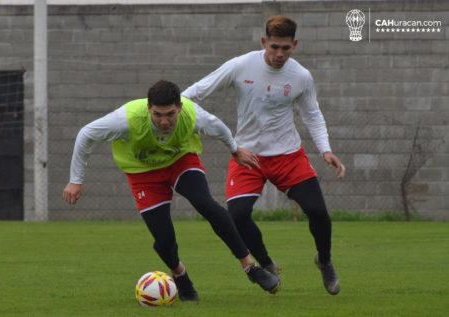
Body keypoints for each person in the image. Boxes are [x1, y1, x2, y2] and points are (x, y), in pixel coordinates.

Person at [62, 80, 280, 301]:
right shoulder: (126, 120)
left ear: (180, 108)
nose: (164, 121)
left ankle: (250, 267)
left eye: (170, 114)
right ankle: (180, 275)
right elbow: (85, 134)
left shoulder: (194, 115)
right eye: (157, 115)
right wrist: (75, 181)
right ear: (148, 108)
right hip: (143, 174)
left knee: (205, 204)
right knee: (164, 239)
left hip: (180, 161)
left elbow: (219, 127)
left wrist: (235, 150)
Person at [182, 16, 345, 295]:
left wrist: (325, 149)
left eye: (285, 48)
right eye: (274, 47)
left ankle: (325, 261)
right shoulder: (240, 66)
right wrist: (180, 119)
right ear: (263, 43)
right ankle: (267, 264)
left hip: (288, 155)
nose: (279, 54)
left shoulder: (301, 77)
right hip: (248, 156)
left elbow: (312, 114)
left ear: (294, 45)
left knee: (318, 212)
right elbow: (194, 93)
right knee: (238, 215)